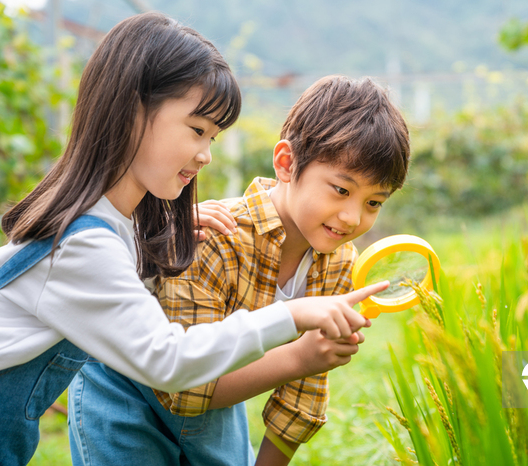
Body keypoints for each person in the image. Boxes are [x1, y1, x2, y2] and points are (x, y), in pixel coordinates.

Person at [0, 13, 385, 466]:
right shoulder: (83, 245)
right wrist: (290, 315)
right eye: (197, 130)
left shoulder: (105, 231)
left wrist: (149, 240)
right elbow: (169, 360)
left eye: (214, 136)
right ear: (131, 111)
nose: (206, 154)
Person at [68, 75, 410, 465]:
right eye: (341, 190)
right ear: (286, 163)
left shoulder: (340, 264)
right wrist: (300, 356)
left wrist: (308, 360)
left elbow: (301, 398)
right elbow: (183, 387)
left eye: (374, 202)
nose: (352, 217)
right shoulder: (216, 238)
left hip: (218, 401)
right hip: (126, 394)